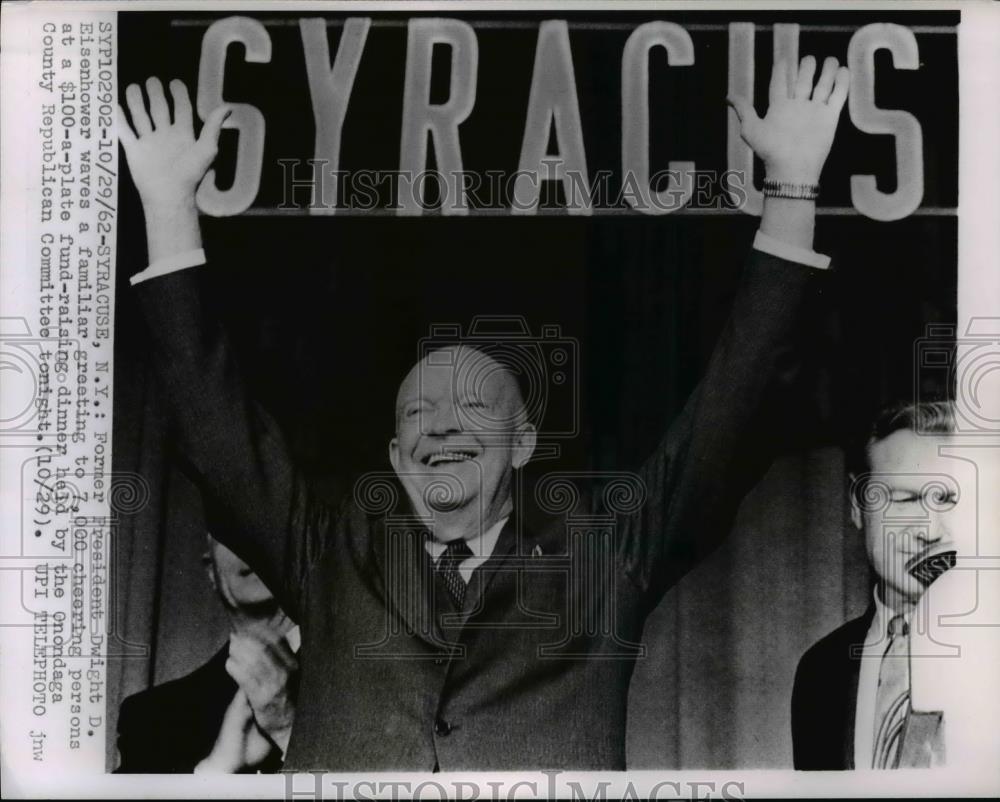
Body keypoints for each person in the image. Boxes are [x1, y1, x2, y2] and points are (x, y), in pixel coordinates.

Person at [117, 55, 850, 770]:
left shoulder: (605, 557)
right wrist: (168, 207)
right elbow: (216, 425)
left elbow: (731, 409)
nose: (439, 425)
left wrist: (791, 186)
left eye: (472, 407)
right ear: (397, 456)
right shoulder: (329, 556)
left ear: (524, 443)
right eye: (417, 414)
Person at [791, 401, 957, 770]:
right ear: (858, 504)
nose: (930, 530)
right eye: (904, 500)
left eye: (948, 499)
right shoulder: (821, 671)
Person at [115, 536, 299, 773]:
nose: (252, 543)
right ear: (212, 571)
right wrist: (215, 771)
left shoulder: (357, 687)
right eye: (232, 531)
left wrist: (287, 731)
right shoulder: (152, 717)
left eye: (266, 524)